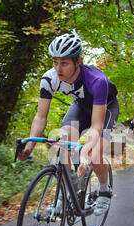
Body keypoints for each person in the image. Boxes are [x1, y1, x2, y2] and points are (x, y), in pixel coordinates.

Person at [19, 33, 119, 216]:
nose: (58, 68)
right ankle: (63, 196)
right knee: (61, 145)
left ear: (78, 61)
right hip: (80, 106)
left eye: (64, 63)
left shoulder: (97, 81)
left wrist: (85, 152)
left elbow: (96, 126)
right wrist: (29, 147)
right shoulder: (49, 79)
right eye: (55, 62)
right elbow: (40, 117)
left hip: (106, 109)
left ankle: (104, 189)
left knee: (95, 154)